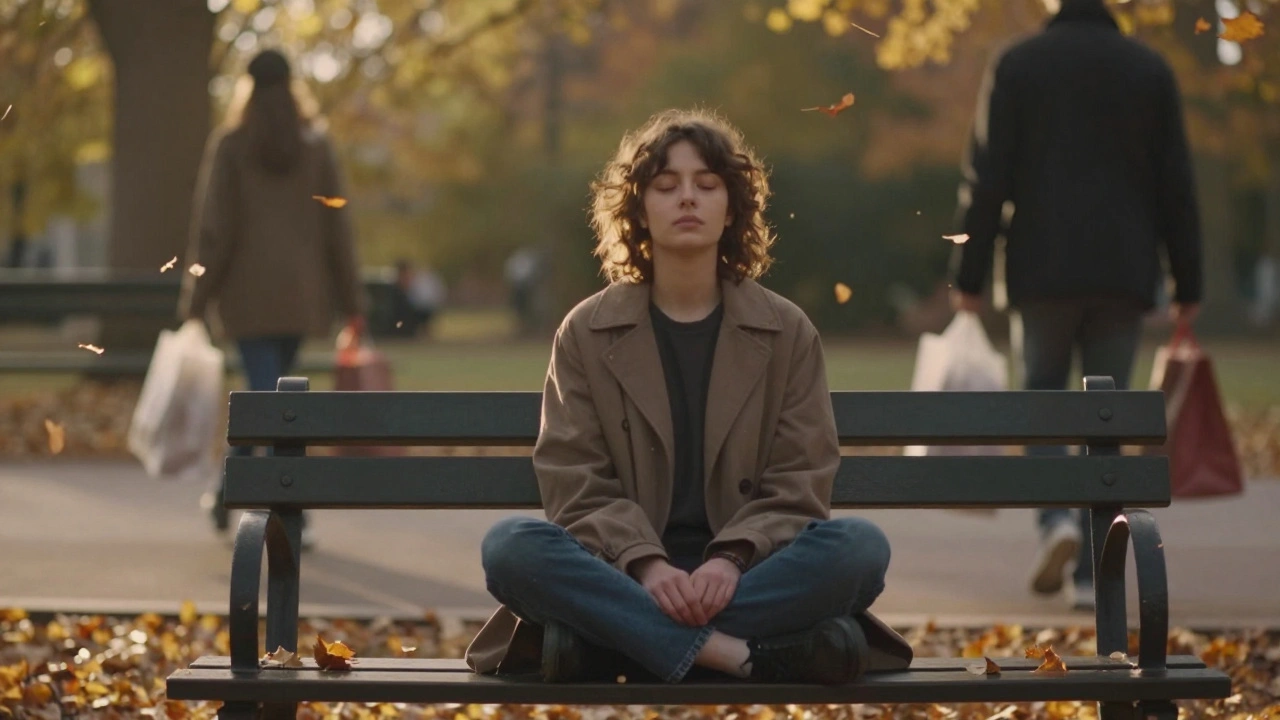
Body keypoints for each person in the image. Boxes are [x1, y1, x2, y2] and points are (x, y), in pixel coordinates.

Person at [465, 109, 910, 685]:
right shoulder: (586, 330)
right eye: (666, 185)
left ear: (732, 209)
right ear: (639, 210)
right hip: (624, 572)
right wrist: (647, 565)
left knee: (859, 549)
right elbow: (573, 479)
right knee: (510, 548)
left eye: (707, 184)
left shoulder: (787, 330)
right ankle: (735, 655)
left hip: (750, 575)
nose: (687, 199)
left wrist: (731, 559)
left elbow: (801, 479)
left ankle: (615, 645)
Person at [949, 0, 1203, 610]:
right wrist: (1188, 285)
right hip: (1123, 271)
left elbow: (986, 176)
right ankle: (1095, 574)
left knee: (1043, 400)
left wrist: (970, 273)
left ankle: (1055, 521)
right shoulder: (1150, 69)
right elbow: (1177, 183)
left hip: (1042, 270)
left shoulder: (1017, 64)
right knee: (1104, 418)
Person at [179, 49, 367, 543]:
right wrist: (352, 300)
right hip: (301, 296)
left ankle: (287, 512)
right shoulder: (315, 145)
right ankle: (241, 497)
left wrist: (195, 304)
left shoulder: (231, 145)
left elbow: (214, 232)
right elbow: (337, 227)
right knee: (272, 401)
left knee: (267, 402)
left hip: (246, 296)